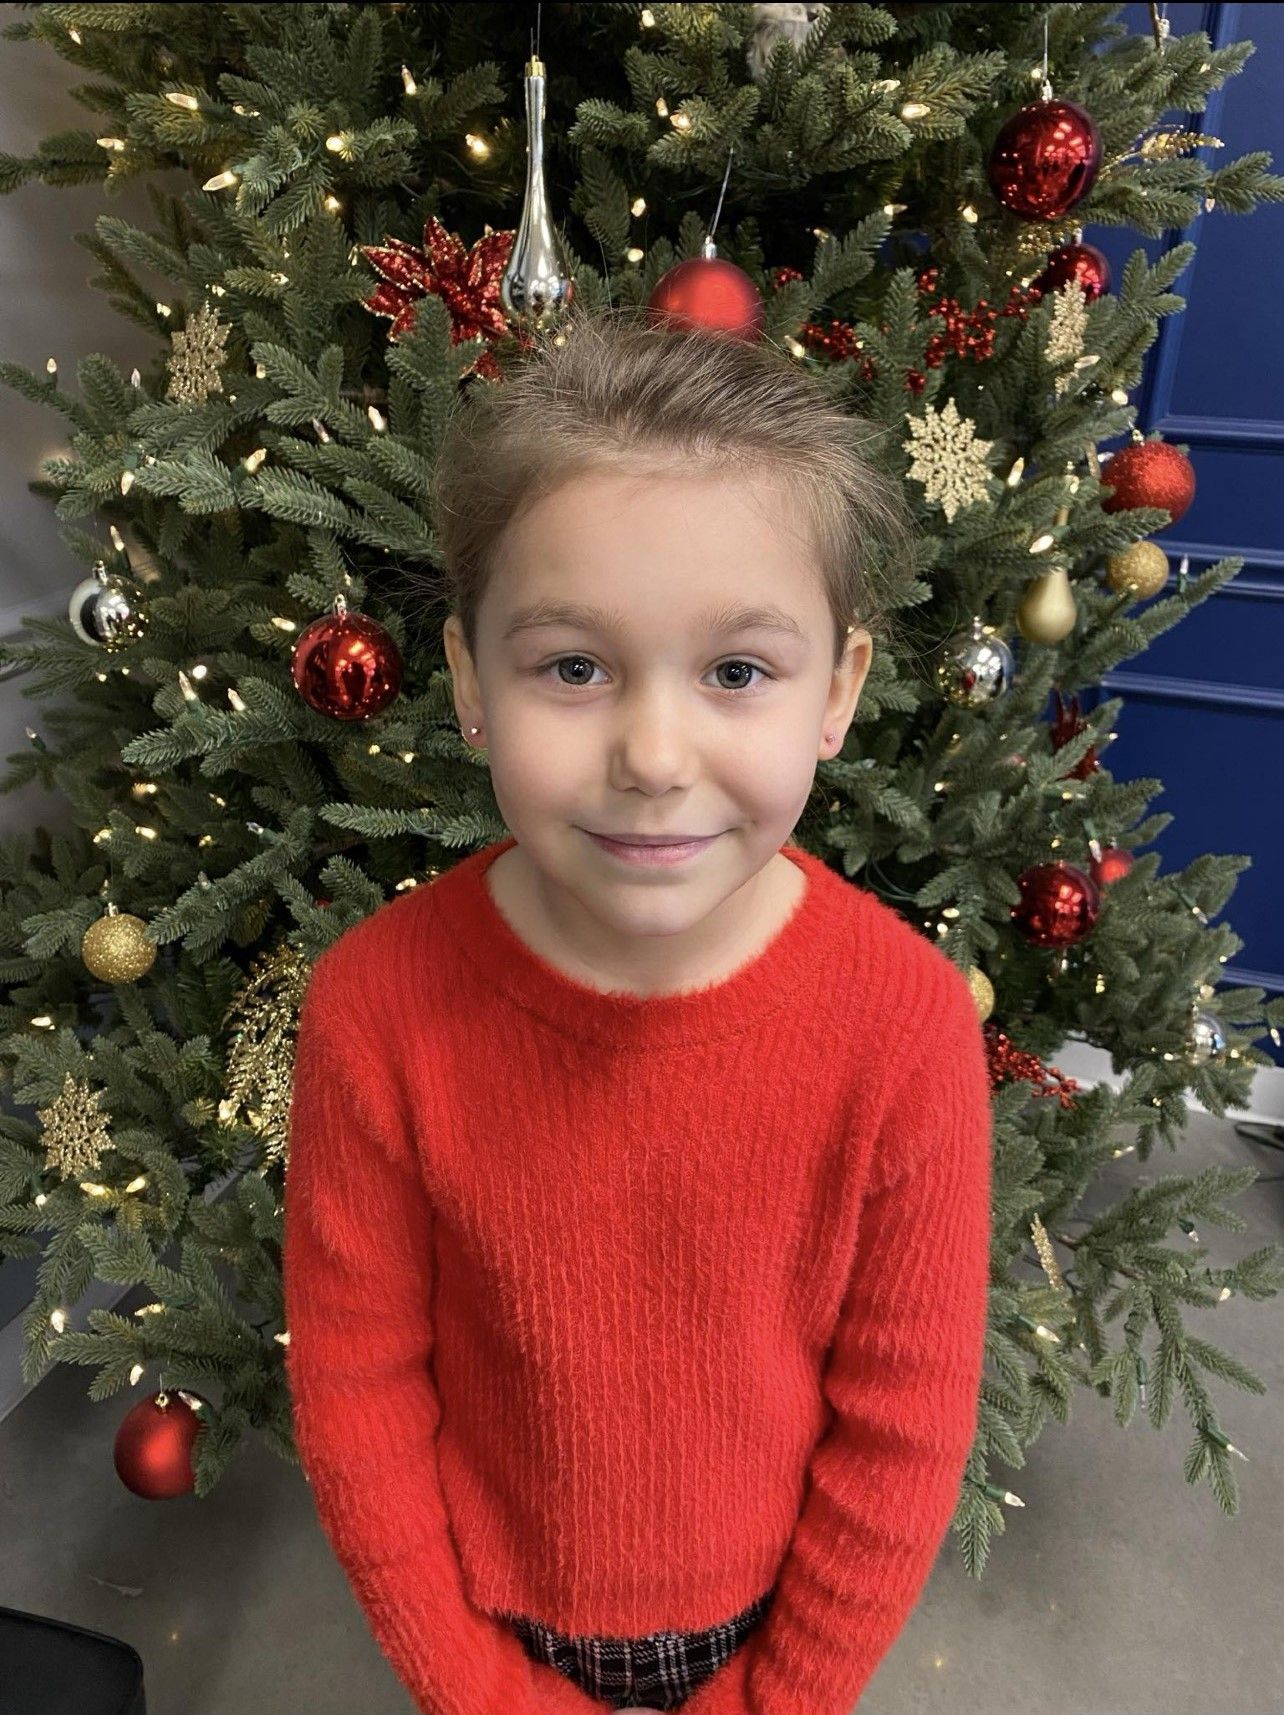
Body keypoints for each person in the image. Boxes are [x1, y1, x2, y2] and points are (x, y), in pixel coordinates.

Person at [282, 306, 994, 1715]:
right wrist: (480, 1693)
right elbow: (359, 1395)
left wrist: (777, 1702)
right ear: (471, 683)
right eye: (574, 667)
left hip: (767, 1636)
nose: (655, 758)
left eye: (737, 672)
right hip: (485, 1625)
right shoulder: (376, 1008)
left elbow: (904, 1430)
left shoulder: (905, 1025)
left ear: (838, 691)